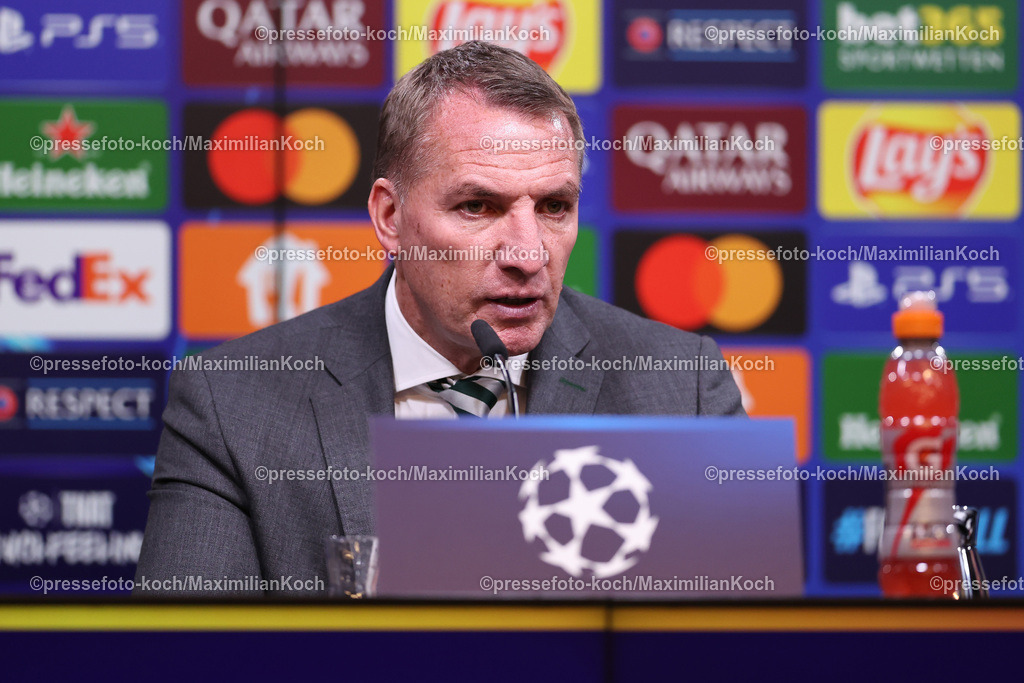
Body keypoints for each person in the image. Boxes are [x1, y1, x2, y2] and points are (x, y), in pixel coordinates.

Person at [134, 41, 743, 595]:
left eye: (555, 206)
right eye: (478, 206)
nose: (528, 253)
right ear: (390, 217)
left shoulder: (681, 388)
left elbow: (743, 645)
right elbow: (189, 656)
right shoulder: (233, 404)